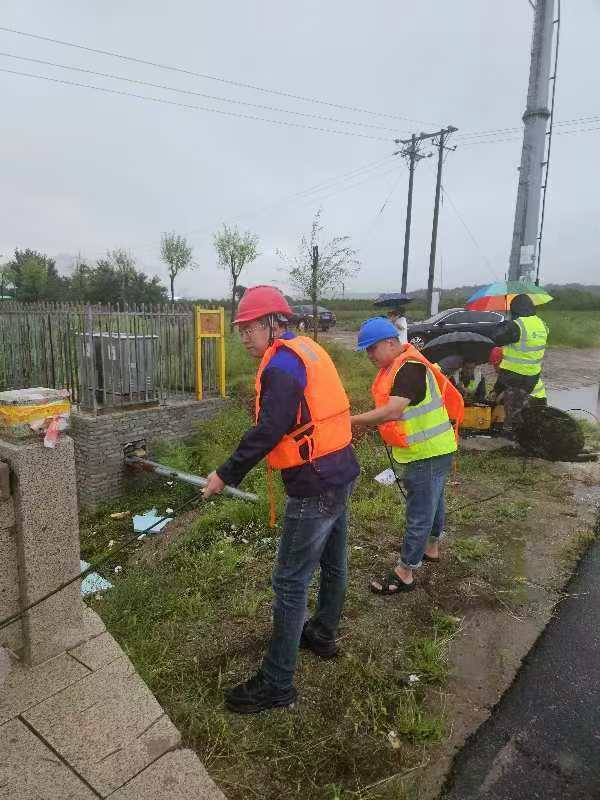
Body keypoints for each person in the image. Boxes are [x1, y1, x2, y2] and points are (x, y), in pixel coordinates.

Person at [202, 285, 359, 714]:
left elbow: (268, 430)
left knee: (290, 582)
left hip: (315, 483)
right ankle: (322, 633)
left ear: (274, 323)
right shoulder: (306, 350)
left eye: (250, 327)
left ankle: (277, 683)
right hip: (341, 471)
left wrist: (225, 473)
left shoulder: (282, 367)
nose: (244, 336)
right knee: (333, 563)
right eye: (240, 329)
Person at [350, 317, 463, 594]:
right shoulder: (404, 365)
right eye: (366, 350)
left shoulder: (409, 369)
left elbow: (393, 411)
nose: (369, 355)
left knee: (420, 512)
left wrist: (350, 421)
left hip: (426, 453)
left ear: (391, 343)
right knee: (434, 503)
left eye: (372, 348)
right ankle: (431, 548)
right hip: (437, 448)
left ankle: (405, 572)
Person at [492, 294, 548, 426]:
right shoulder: (542, 324)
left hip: (514, 375)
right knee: (520, 407)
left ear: (515, 309)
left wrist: (505, 324)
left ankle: (512, 432)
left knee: (512, 412)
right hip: (532, 376)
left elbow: (496, 338)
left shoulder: (517, 325)